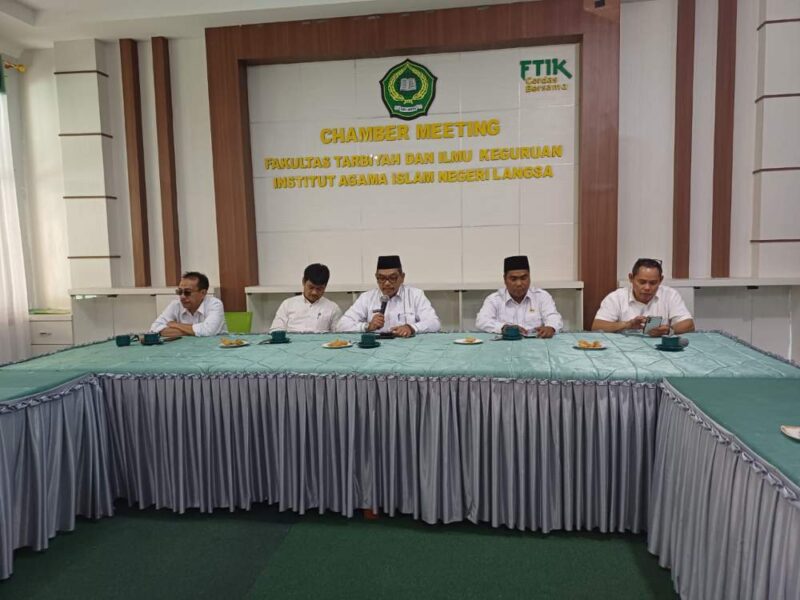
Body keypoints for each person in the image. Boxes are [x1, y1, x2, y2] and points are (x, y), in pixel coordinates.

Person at [336, 255, 440, 337]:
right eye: (381, 278)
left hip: (407, 347)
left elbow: (434, 323)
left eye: (392, 278)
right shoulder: (366, 298)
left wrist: (411, 328)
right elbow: (341, 326)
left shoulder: (415, 295)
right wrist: (367, 326)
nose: (386, 283)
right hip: (376, 349)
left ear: (402, 277)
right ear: (376, 278)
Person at [591, 258, 695, 336]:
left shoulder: (670, 295)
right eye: (642, 282)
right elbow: (597, 326)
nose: (647, 288)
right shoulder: (616, 297)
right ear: (631, 278)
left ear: (661, 280)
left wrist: (668, 330)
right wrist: (627, 325)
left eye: (653, 283)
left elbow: (689, 324)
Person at [475, 255, 563, 338]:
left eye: (523, 278)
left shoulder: (542, 296)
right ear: (505, 279)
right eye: (513, 279)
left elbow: (553, 317)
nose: (519, 283)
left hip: (536, 344)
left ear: (529, 277)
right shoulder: (494, 299)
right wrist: (503, 327)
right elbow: (481, 321)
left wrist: (551, 327)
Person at [150, 271, 227, 337]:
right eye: (179, 292)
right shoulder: (175, 304)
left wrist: (176, 325)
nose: (182, 296)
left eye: (187, 292)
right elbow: (154, 328)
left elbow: (209, 331)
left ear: (203, 293)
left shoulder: (215, 304)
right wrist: (192, 331)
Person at [269, 263, 342, 332]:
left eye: (319, 289)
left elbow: (339, 335)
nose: (314, 292)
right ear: (303, 282)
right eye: (311, 287)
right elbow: (276, 329)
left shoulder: (333, 308)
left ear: (325, 287)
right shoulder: (287, 304)